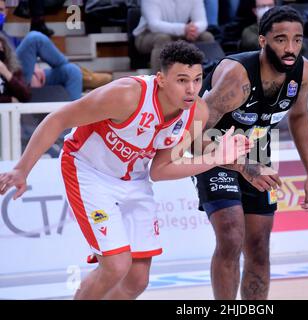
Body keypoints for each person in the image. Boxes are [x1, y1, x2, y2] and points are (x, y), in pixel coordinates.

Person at [0, 41, 252, 300]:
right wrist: (22, 169)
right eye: (182, 80)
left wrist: (215, 158)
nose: (191, 89)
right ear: (161, 79)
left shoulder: (196, 112)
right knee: (116, 265)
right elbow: (58, 119)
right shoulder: (127, 95)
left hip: (135, 178)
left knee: (137, 280)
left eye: (197, 80)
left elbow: (160, 170)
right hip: (88, 169)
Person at [193, 6, 308, 300]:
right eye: (280, 39)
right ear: (262, 40)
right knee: (231, 236)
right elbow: (194, 136)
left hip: (257, 152)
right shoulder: (237, 78)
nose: (290, 48)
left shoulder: (304, 74)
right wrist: (241, 165)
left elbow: (299, 116)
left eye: (297, 40)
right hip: (215, 150)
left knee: (259, 246)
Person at [133, 0, 215, 73]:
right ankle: (159, 81)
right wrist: (183, 29)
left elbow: (202, 22)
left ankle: (208, 77)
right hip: (146, 35)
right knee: (163, 38)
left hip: (182, 33)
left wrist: (193, 30)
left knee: (206, 36)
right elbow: (154, 25)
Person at [0, 34, 31, 102]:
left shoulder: (13, 68)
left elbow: (25, 96)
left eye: (1, 49)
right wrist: (9, 99)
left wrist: (6, 73)